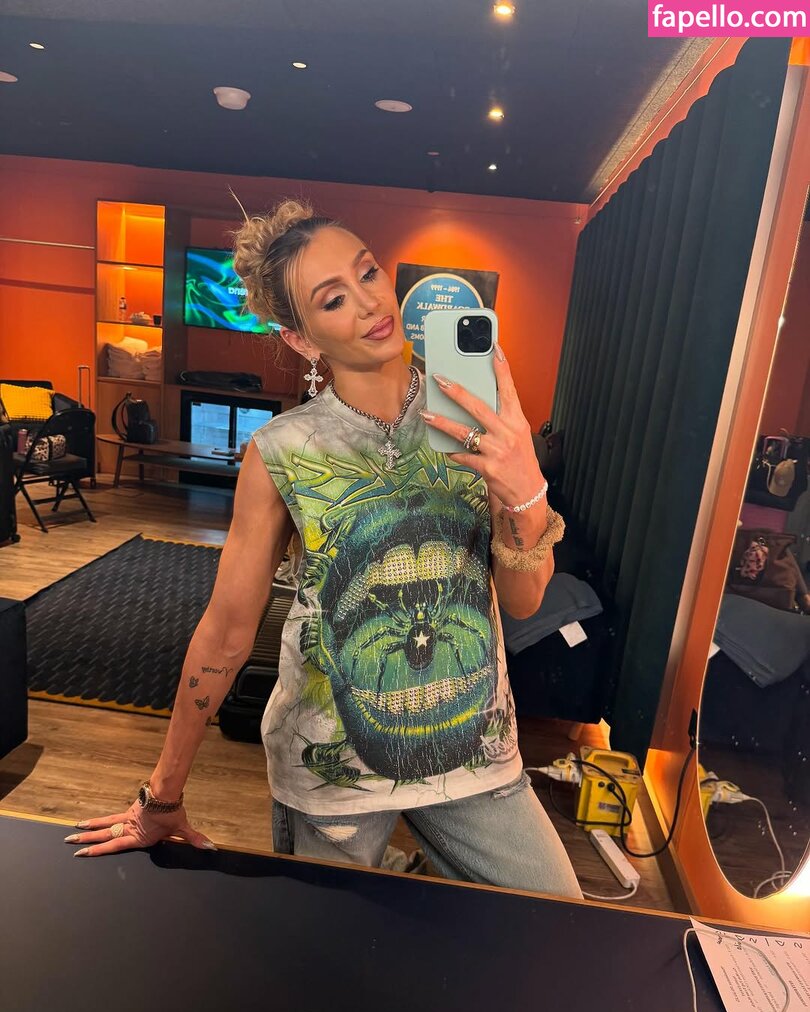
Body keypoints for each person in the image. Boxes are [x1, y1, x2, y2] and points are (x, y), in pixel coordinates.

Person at [65, 199, 581, 899]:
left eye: (368, 273)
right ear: (301, 339)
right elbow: (227, 629)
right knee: (331, 952)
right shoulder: (281, 451)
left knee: (556, 916)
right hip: (330, 770)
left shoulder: (479, 422)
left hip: (475, 751)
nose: (369, 302)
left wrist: (523, 484)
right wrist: (162, 796)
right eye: (332, 299)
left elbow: (522, 600)